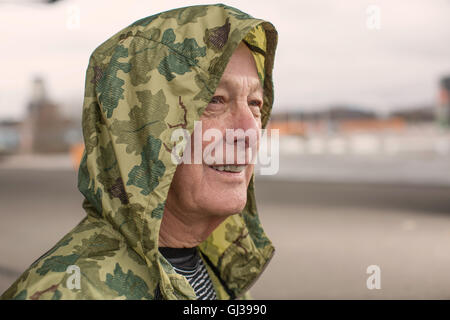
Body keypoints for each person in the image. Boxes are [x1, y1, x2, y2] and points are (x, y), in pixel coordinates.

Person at [1, 4, 278, 300]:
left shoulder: (213, 274)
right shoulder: (69, 292)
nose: (249, 131)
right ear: (141, 130)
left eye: (255, 103)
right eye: (214, 100)